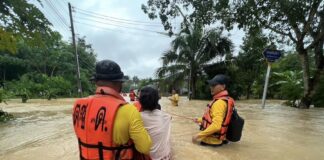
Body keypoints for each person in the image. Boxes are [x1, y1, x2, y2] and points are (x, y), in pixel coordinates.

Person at [72, 59, 152, 160]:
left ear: (96, 82)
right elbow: (145, 148)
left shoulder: (78, 105)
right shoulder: (128, 110)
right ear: (119, 83)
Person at [192, 74, 235, 146]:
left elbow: (216, 126)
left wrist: (198, 135)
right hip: (218, 141)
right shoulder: (225, 100)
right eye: (211, 85)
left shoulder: (219, 103)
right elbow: (216, 120)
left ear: (223, 87)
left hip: (211, 142)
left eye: (214, 85)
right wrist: (199, 120)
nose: (211, 87)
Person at [139, 86, 172, 160]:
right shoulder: (166, 116)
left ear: (140, 101)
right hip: (166, 157)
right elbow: (170, 118)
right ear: (157, 100)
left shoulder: (137, 118)